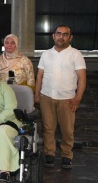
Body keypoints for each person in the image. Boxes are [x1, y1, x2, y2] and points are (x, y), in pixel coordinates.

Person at [35, 25, 86, 169]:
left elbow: (82, 78)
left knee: (67, 130)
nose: (61, 37)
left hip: (67, 99)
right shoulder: (46, 54)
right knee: (48, 128)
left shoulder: (75, 54)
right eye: (58, 34)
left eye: (65, 34)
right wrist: (37, 95)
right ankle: (49, 154)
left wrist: (77, 98)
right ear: (53, 36)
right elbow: (39, 76)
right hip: (46, 97)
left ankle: (66, 156)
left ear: (70, 37)